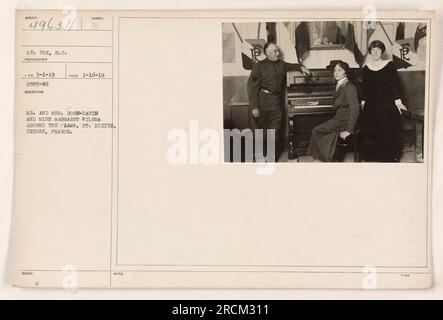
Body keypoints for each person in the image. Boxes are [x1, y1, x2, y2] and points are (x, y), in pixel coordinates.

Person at [247, 42, 311, 162]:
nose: (278, 53)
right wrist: (254, 107)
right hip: (262, 104)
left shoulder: (281, 64)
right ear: (268, 53)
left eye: (277, 50)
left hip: (276, 104)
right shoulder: (258, 66)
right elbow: (252, 87)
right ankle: (262, 157)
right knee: (263, 133)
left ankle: (272, 158)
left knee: (274, 133)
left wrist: (301, 67)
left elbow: (292, 66)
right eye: (275, 51)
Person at [360, 40, 408, 162]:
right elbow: (364, 88)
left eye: (378, 50)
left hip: (387, 104)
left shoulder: (389, 65)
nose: (376, 52)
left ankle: (388, 157)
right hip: (371, 105)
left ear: (382, 52)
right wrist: (363, 103)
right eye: (373, 50)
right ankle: (373, 157)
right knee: (371, 130)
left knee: (387, 130)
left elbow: (395, 85)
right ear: (370, 52)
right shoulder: (366, 68)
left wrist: (398, 102)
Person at [307, 61, 360, 162]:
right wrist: (317, 103)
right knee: (320, 129)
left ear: (346, 72)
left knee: (316, 130)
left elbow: (355, 110)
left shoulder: (350, 87)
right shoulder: (340, 84)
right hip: (340, 119)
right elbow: (337, 101)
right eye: (335, 70)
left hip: (345, 122)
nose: (336, 73)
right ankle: (324, 157)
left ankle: (323, 159)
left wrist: (349, 130)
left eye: (339, 70)